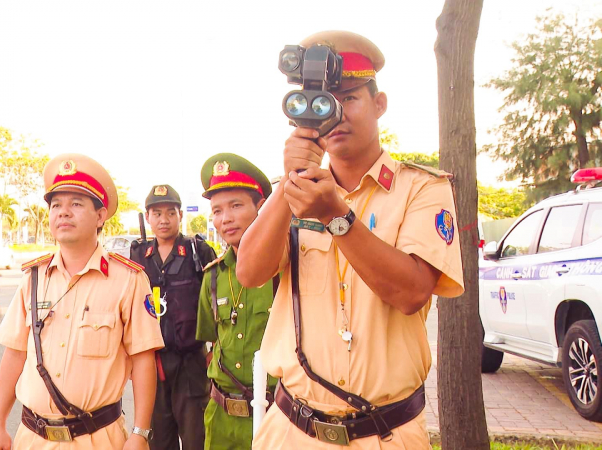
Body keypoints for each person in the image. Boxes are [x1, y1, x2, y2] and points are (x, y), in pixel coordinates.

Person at [237, 31, 465, 449]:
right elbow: (250, 272)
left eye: (348, 98)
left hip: (386, 434)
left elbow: (412, 292)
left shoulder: (421, 189)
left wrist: (335, 216)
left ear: (380, 104)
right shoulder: (289, 193)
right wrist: (288, 184)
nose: (335, 115)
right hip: (291, 431)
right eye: (324, 103)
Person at [0, 154, 164, 450]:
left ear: (100, 216)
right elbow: (15, 355)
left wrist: (140, 432)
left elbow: (143, 359)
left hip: (99, 438)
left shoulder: (128, 280)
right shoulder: (33, 278)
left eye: (76, 204)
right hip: (31, 437)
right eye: (56, 205)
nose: (63, 212)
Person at [195, 154, 276, 450]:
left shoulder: (285, 270)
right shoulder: (213, 276)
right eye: (217, 210)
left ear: (261, 206)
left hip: (276, 416)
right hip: (221, 418)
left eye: (236, 206)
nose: (225, 218)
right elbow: (210, 342)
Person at [130, 184, 217, 450]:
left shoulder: (198, 252)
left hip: (191, 364)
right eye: (157, 214)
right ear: (148, 218)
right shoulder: (138, 255)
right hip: (152, 365)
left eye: (170, 212)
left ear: (181, 215)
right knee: (159, 439)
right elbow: (129, 309)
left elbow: (217, 305)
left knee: (195, 438)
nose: (163, 220)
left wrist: (216, 350)